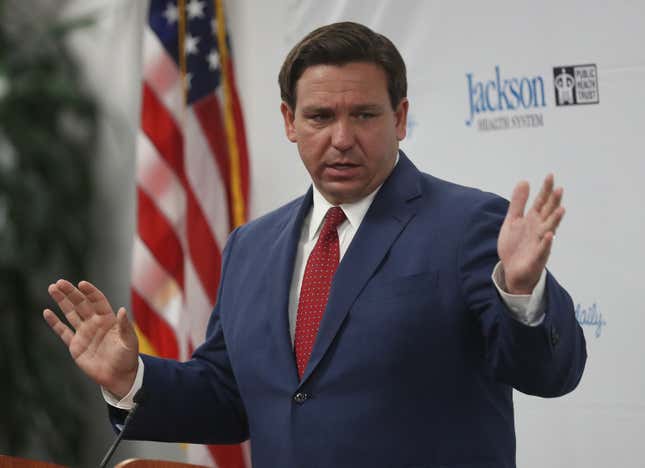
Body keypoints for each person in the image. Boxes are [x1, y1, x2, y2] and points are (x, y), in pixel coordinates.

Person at [43, 21, 586, 468]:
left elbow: (551, 373)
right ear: (289, 121)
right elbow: (228, 399)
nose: (342, 138)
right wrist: (130, 378)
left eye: (365, 115)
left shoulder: (469, 224)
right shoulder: (250, 247)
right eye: (321, 117)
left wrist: (521, 292)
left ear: (399, 118)